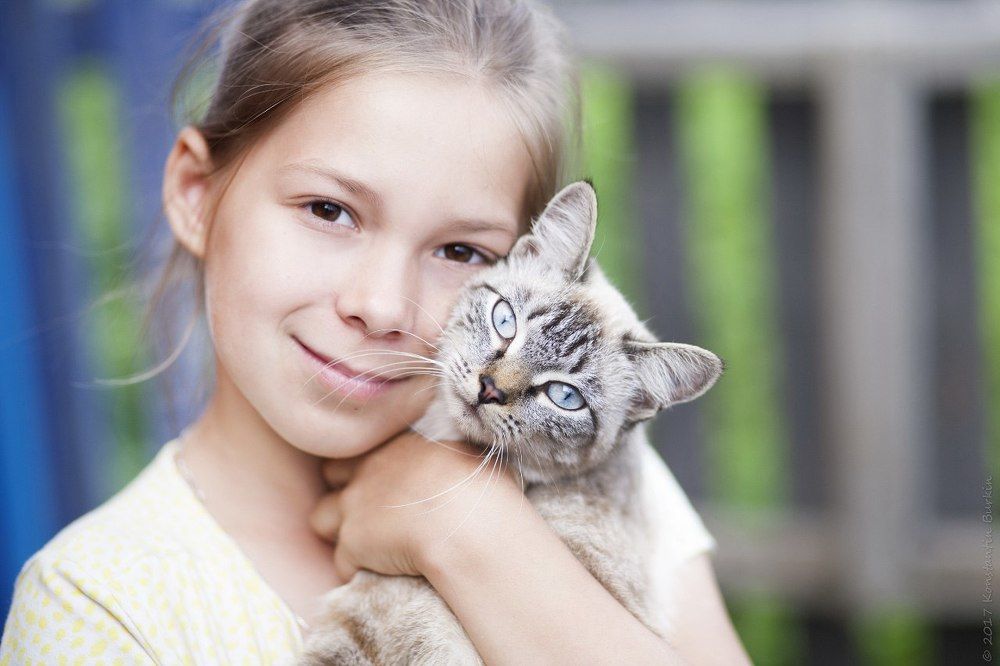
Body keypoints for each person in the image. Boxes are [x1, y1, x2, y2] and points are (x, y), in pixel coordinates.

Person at [0, 1, 750, 663]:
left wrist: (472, 535)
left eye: (461, 251)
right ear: (198, 194)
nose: (382, 305)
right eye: (329, 210)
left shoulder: (600, 480)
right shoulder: (97, 606)